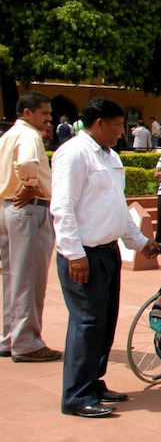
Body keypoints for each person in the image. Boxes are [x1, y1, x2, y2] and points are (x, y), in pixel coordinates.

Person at [51, 97, 160, 418]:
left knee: (104, 320)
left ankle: (92, 382)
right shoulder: (73, 154)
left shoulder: (110, 156)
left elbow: (118, 206)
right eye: (117, 126)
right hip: (84, 254)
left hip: (107, 252)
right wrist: (73, 254)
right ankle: (76, 394)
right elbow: (63, 207)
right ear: (99, 123)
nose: (121, 132)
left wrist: (140, 242)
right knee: (87, 323)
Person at [0, 92, 62, 363]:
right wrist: (28, 185)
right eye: (44, 114)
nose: (49, 120)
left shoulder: (7, 136)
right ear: (27, 113)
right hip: (28, 209)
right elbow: (26, 163)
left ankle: (8, 337)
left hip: (8, 208)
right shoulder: (29, 136)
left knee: (10, 277)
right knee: (29, 278)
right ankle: (26, 342)